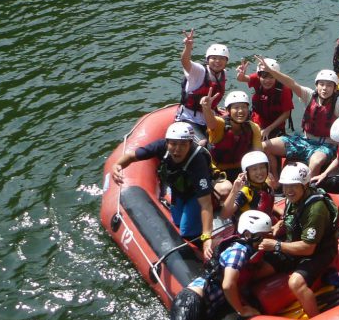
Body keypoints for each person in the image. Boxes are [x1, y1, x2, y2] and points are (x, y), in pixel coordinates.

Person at [95, 211, 272, 320]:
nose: (264, 241)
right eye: (262, 237)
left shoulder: (240, 247)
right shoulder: (239, 251)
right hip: (193, 301)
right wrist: (242, 310)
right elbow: (228, 285)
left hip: (200, 306)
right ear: (249, 234)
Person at [259, 59, 339, 179]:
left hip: (326, 145)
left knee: (316, 162)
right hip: (304, 140)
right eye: (321, 84)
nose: (324, 88)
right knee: (264, 146)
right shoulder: (308, 96)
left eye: (329, 85)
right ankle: (275, 180)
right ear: (316, 86)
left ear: (335, 89)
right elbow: (291, 83)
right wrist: (272, 71)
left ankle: (308, 187)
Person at [112, 121, 215, 257]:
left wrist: (207, 236)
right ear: (167, 143)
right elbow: (132, 156)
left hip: (195, 195)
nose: (177, 150)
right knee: (177, 221)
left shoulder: (198, 161)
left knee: (186, 230)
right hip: (178, 191)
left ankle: (199, 248)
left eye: (183, 145)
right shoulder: (161, 147)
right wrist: (117, 165)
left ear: (190, 144)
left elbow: (206, 203)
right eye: (173, 144)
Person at [255, 163, 339, 318]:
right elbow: (290, 217)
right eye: (286, 186)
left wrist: (277, 245)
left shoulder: (316, 210)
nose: (288, 191)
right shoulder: (293, 197)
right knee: (258, 270)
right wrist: (279, 226)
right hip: (293, 242)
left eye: (293, 186)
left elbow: (308, 248)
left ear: (305, 185)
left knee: (296, 283)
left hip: (319, 252)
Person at [201, 89, 263, 199]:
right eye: (236, 107)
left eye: (244, 107)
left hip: (240, 169)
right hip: (217, 170)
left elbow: (258, 155)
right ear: (228, 110)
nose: (240, 111)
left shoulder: (253, 128)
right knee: (226, 189)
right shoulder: (220, 125)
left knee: (262, 184)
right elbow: (211, 121)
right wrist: (206, 108)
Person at [175, 30, 228, 138]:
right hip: (189, 118)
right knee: (203, 143)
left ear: (226, 61)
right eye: (214, 58)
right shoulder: (199, 71)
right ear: (208, 60)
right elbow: (185, 61)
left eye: (222, 59)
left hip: (208, 117)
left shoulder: (223, 73)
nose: (218, 61)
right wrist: (188, 47)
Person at [236, 57, 293, 141]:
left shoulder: (284, 89)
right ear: (259, 76)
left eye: (271, 77)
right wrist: (240, 74)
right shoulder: (257, 78)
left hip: (275, 126)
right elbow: (242, 79)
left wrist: (269, 129)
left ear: (276, 77)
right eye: (264, 77)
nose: (267, 81)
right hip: (257, 121)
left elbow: (286, 114)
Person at [219, 150, 276, 222]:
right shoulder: (246, 191)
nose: (259, 172)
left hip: (265, 223)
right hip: (250, 231)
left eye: (262, 167)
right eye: (254, 169)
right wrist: (234, 191)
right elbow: (224, 215)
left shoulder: (267, 185)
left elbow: (267, 206)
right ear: (246, 172)